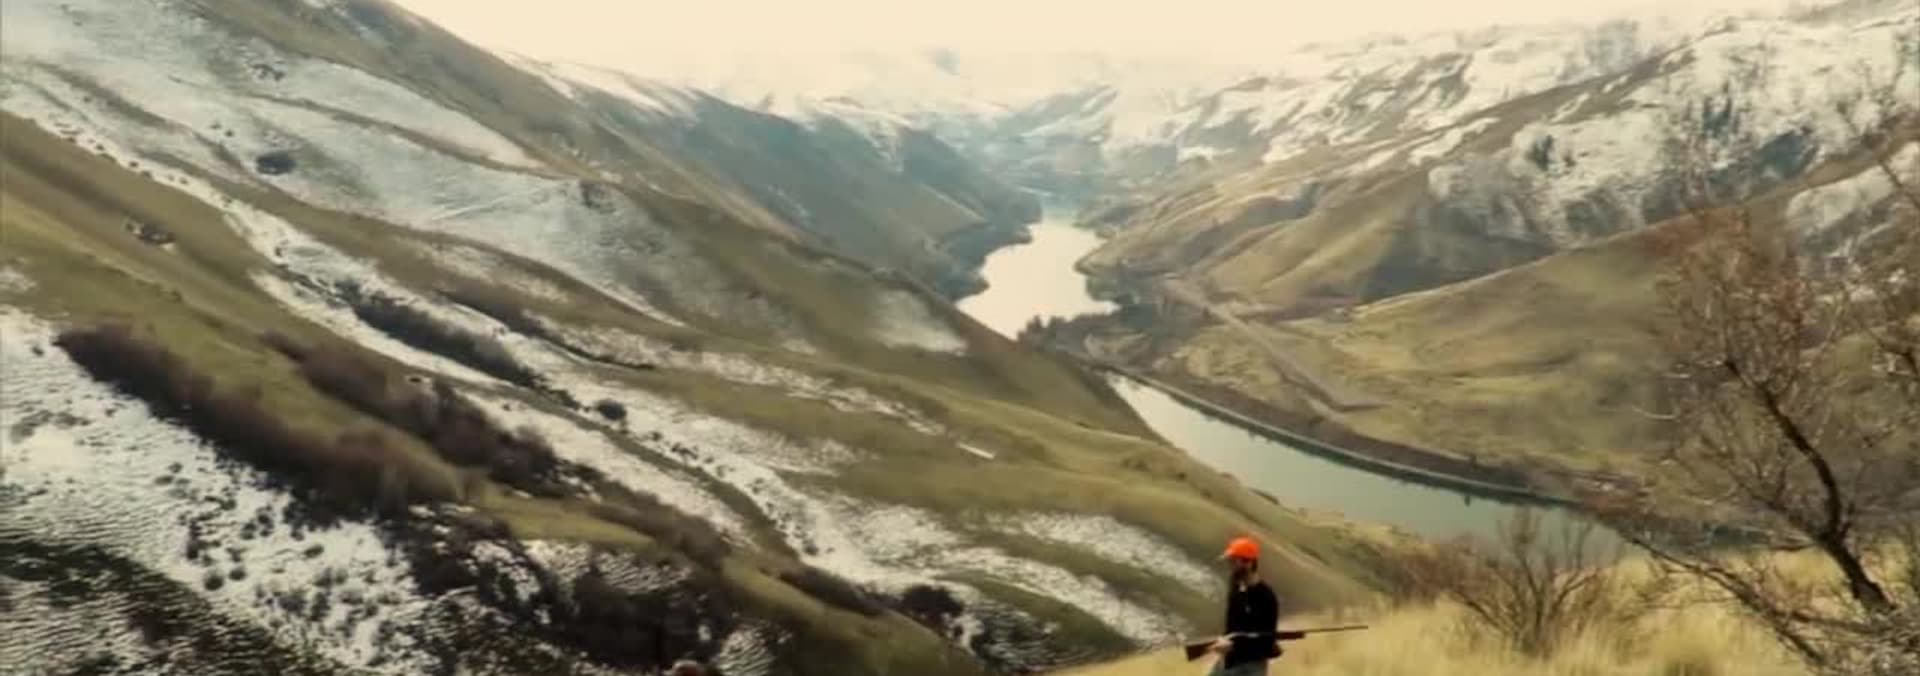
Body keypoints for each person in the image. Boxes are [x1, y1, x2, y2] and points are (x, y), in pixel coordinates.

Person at [1206, 536, 1280, 675]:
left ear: (1249, 563)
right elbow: (1232, 627)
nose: (1230, 566)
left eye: (1234, 561)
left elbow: (1266, 640)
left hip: (1251, 666)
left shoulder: (1266, 597)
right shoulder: (1235, 587)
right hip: (1229, 661)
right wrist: (1224, 640)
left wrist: (1234, 645)